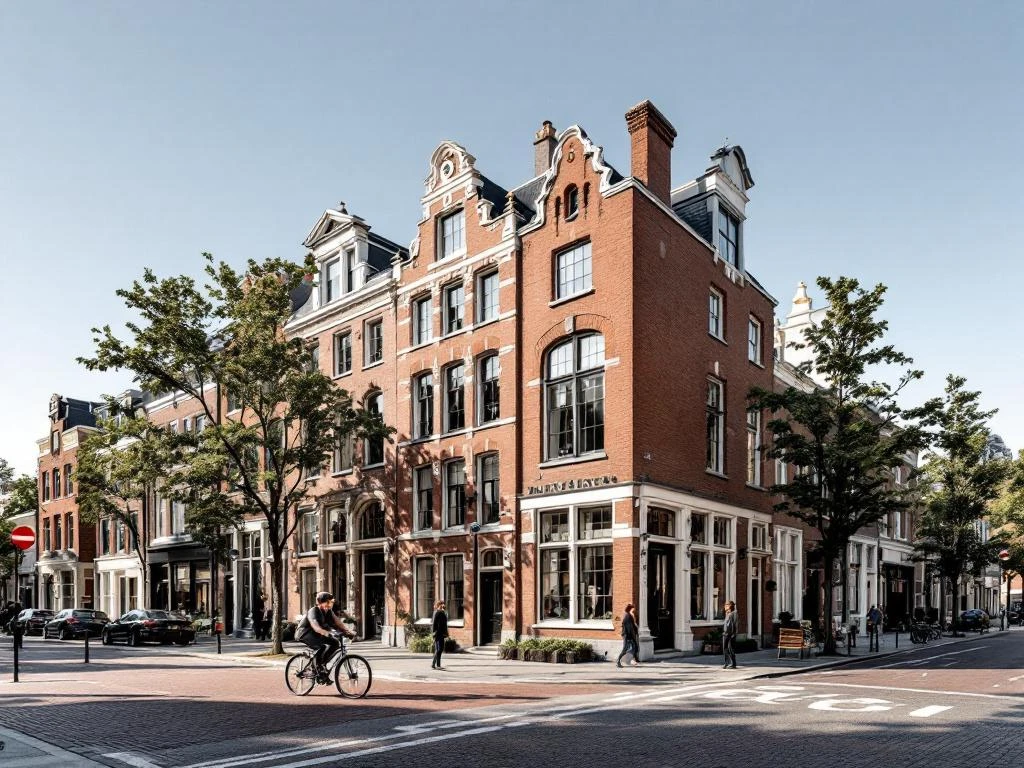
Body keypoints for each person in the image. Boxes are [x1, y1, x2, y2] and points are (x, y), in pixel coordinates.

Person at [295, 592, 355, 675]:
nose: (330, 604)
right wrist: (327, 633)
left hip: (317, 634)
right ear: (320, 602)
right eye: (328, 602)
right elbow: (316, 627)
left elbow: (338, 623)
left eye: (331, 602)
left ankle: (322, 665)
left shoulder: (329, 612)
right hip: (305, 633)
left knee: (335, 643)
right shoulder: (313, 611)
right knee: (321, 647)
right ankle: (315, 668)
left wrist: (347, 632)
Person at [616, 603, 640, 667]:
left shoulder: (628, 615)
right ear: (629, 609)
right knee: (625, 649)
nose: (633, 611)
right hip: (627, 636)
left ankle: (632, 659)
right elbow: (629, 628)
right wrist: (632, 635)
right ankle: (618, 661)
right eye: (632, 610)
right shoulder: (627, 616)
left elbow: (632, 626)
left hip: (629, 635)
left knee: (634, 648)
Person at [430, 600, 448, 670]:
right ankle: (435, 664)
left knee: (440, 649)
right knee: (439, 649)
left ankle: (436, 664)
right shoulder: (437, 613)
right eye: (441, 604)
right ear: (438, 605)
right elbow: (434, 624)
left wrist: (445, 633)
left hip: (441, 633)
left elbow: (445, 622)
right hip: (438, 633)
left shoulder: (442, 612)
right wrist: (434, 633)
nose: (443, 605)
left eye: (443, 604)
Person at [722, 600, 738, 669]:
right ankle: (731, 663)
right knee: (728, 648)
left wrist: (733, 633)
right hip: (727, 633)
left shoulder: (733, 614)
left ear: (729, 606)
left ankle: (728, 663)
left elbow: (734, 624)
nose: (725, 606)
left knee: (728, 648)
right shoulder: (729, 613)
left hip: (729, 634)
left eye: (726, 605)